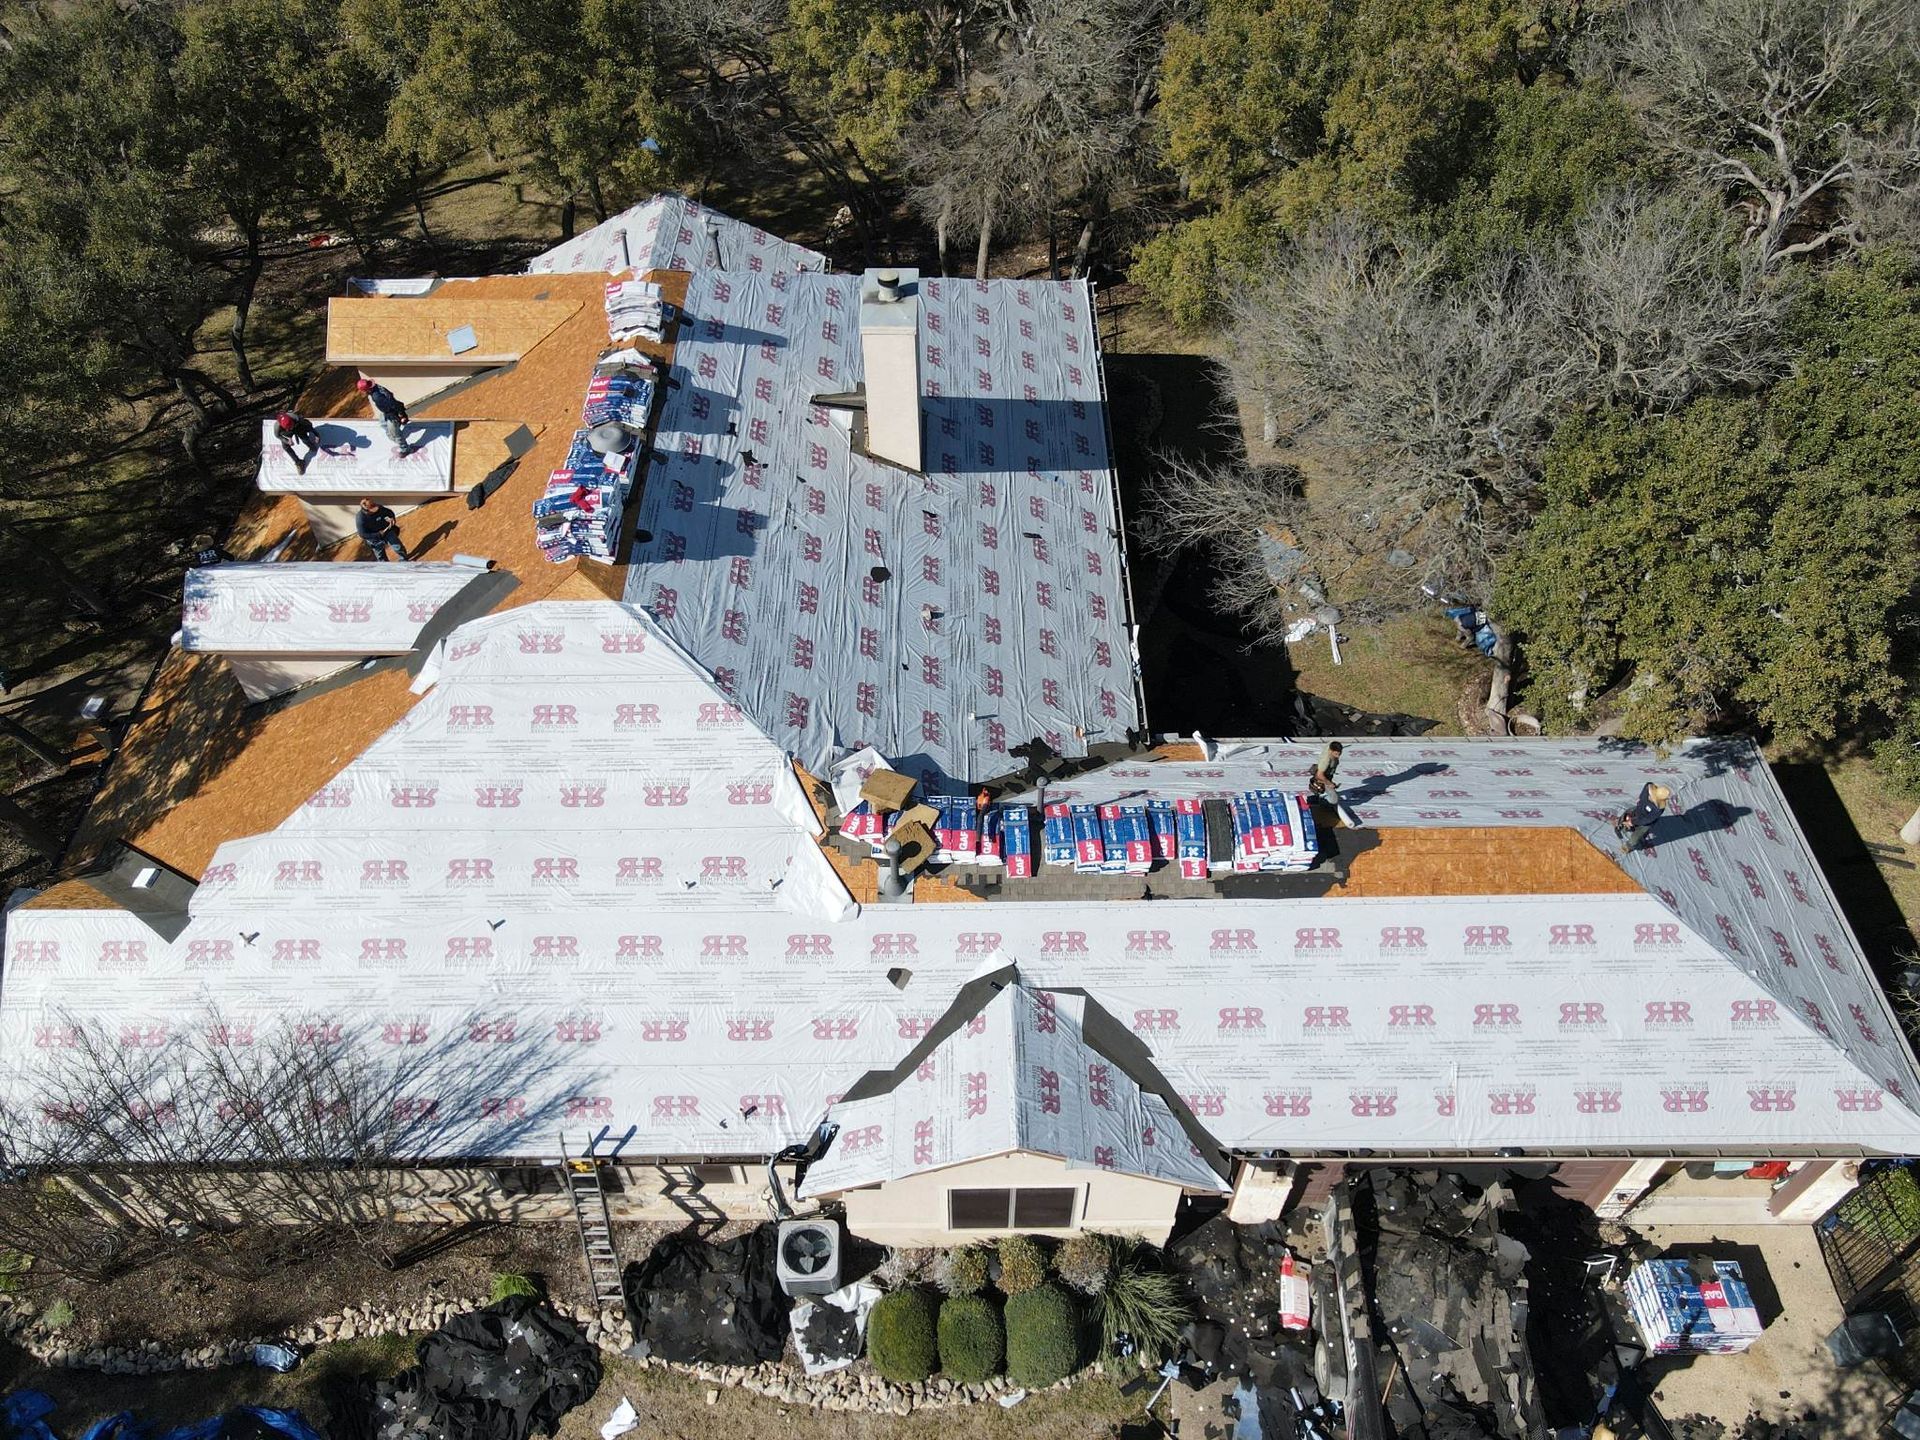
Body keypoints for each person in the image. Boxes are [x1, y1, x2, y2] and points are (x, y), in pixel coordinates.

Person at [355, 377, 413, 454]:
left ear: (366, 390)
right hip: (386, 411)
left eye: (363, 391)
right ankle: (392, 434)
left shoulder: (377, 397)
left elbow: (393, 405)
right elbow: (391, 395)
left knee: (395, 433)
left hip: (392, 414)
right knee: (382, 422)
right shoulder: (377, 387)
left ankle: (405, 448)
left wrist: (402, 415)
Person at [1614, 782, 1675, 854]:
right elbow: (1648, 784)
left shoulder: (1658, 809)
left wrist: (1632, 822)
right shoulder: (1647, 789)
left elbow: (1646, 820)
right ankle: (1621, 825)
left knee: (1635, 838)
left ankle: (1628, 846)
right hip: (1637, 810)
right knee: (1625, 814)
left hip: (1645, 823)